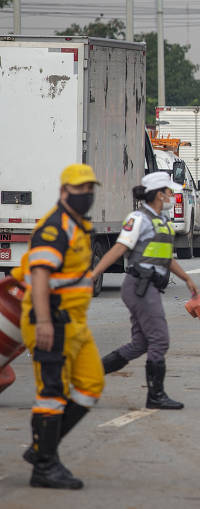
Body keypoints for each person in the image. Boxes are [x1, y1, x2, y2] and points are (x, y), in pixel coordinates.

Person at [15, 164, 104, 489]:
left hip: (74, 322)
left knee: (91, 384)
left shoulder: (78, 225)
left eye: (90, 189)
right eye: (80, 189)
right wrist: (43, 321)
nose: (86, 195)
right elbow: (39, 276)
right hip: (51, 320)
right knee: (52, 393)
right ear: (64, 191)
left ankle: (41, 449)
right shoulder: (54, 228)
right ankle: (45, 466)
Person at [92, 172, 199, 410]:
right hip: (140, 286)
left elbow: (165, 257)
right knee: (160, 339)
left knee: (140, 343)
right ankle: (155, 396)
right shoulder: (138, 218)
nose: (172, 195)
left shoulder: (162, 220)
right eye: (169, 191)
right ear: (159, 194)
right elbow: (119, 248)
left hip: (148, 286)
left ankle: (89, 376)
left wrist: (186, 278)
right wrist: (94, 273)